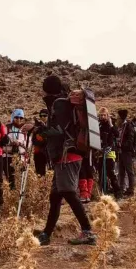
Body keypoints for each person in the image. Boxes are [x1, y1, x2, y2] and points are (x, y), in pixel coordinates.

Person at [35, 75, 96, 246]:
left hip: (66, 155)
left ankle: (88, 231)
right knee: (55, 196)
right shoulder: (62, 101)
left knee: (68, 192)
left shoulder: (59, 103)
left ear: (47, 88)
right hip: (67, 154)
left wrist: (38, 130)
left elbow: (59, 130)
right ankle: (46, 234)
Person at [97, 107, 121, 197]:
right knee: (101, 172)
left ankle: (118, 192)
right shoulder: (98, 125)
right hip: (100, 151)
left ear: (107, 115)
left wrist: (111, 125)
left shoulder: (111, 124)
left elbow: (117, 134)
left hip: (110, 150)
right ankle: (103, 191)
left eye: (104, 115)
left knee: (111, 172)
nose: (103, 117)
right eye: (101, 115)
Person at [3, 109, 28, 190]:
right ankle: (11, 197)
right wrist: (11, 142)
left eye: (21, 118)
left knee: (21, 179)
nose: (19, 120)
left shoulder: (25, 129)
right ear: (13, 117)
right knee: (10, 178)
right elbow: (3, 141)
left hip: (21, 157)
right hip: (8, 156)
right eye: (16, 117)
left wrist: (20, 143)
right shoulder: (7, 128)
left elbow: (29, 143)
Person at [117, 110, 136, 197]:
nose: (117, 118)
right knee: (121, 171)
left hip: (127, 152)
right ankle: (122, 189)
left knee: (129, 171)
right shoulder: (121, 126)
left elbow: (130, 140)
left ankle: (131, 190)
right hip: (121, 152)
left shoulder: (128, 126)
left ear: (121, 117)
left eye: (118, 117)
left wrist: (122, 145)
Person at [31, 109, 49, 176]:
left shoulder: (51, 126)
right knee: (40, 174)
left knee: (49, 173)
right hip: (39, 153)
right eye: (41, 116)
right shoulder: (37, 127)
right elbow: (34, 140)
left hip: (48, 152)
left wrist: (42, 139)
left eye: (45, 116)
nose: (42, 117)